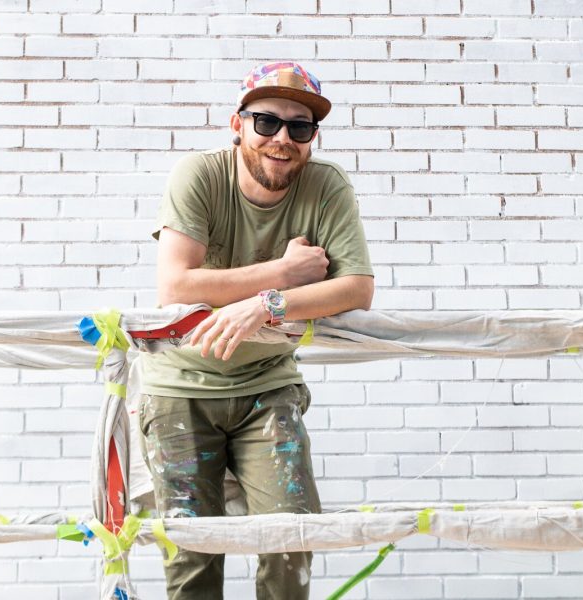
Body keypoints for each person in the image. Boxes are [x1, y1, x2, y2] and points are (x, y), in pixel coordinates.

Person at [139, 61, 374, 600]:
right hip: (179, 390)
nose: (282, 139)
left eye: (300, 126)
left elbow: (357, 288)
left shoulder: (326, 185)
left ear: (312, 137)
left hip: (267, 387)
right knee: (192, 560)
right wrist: (283, 275)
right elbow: (175, 287)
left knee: (292, 539)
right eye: (266, 122)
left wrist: (265, 305)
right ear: (237, 125)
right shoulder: (199, 175)